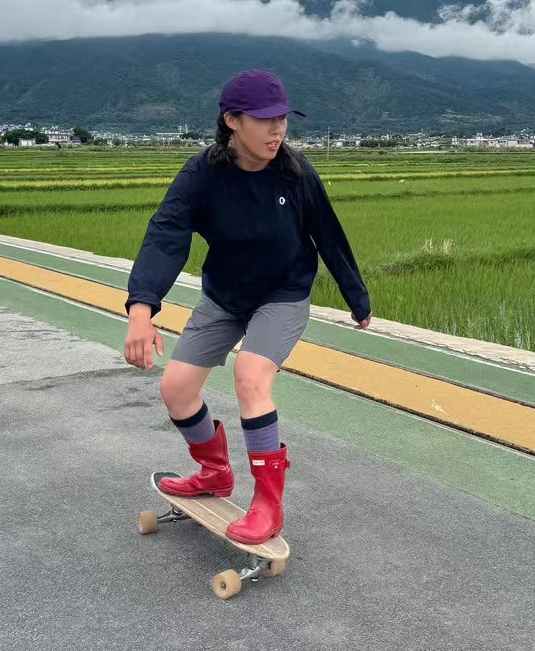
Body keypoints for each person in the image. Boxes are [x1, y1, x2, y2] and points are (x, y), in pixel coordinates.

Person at [123, 69, 372, 544]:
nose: (277, 130)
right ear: (232, 120)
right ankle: (214, 471)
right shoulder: (202, 175)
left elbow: (329, 235)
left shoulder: (296, 171)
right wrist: (142, 309)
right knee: (176, 389)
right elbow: (166, 236)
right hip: (226, 296)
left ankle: (268, 504)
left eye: (282, 119)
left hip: (283, 293)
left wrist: (356, 298)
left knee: (250, 375)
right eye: (264, 120)